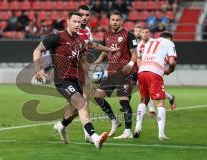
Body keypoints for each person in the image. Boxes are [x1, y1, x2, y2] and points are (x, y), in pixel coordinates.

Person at [33, 11, 117, 149]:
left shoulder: (79, 41)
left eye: (80, 22)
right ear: (68, 21)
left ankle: (61, 126)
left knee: (74, 111)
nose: (78, 24)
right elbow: (37, 50)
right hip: (62, 79)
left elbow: (89, 51)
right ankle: (95, 137)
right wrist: (38, 69)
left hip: (76, 79)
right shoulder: (57, 37)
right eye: (75, 21)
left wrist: (108, 50)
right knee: (81, 103)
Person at [94, 10, 138, 139]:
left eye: (117, 20)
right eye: (112, 20)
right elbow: (105, 52)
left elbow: (135, 54)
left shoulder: (129, 35)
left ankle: (128, 132)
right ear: (109, 21)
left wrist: (130, 64)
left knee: (123, 100)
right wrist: (96, 62)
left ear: (121, 21)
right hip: (112, 73)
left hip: (127, 72)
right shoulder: (106, 35)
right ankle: (114, 120)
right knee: (98, 96)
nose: (115, 22)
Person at [134, 31, 177, 140]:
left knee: (144, 99)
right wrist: (168, 71)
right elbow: (172, 62)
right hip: (154, 73)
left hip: (142, 71)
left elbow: (140, 57)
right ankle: (161, 134)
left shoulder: (150, 41)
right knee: (160, 101)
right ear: (170, 38)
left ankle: (137, 128)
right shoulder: (169, 43)